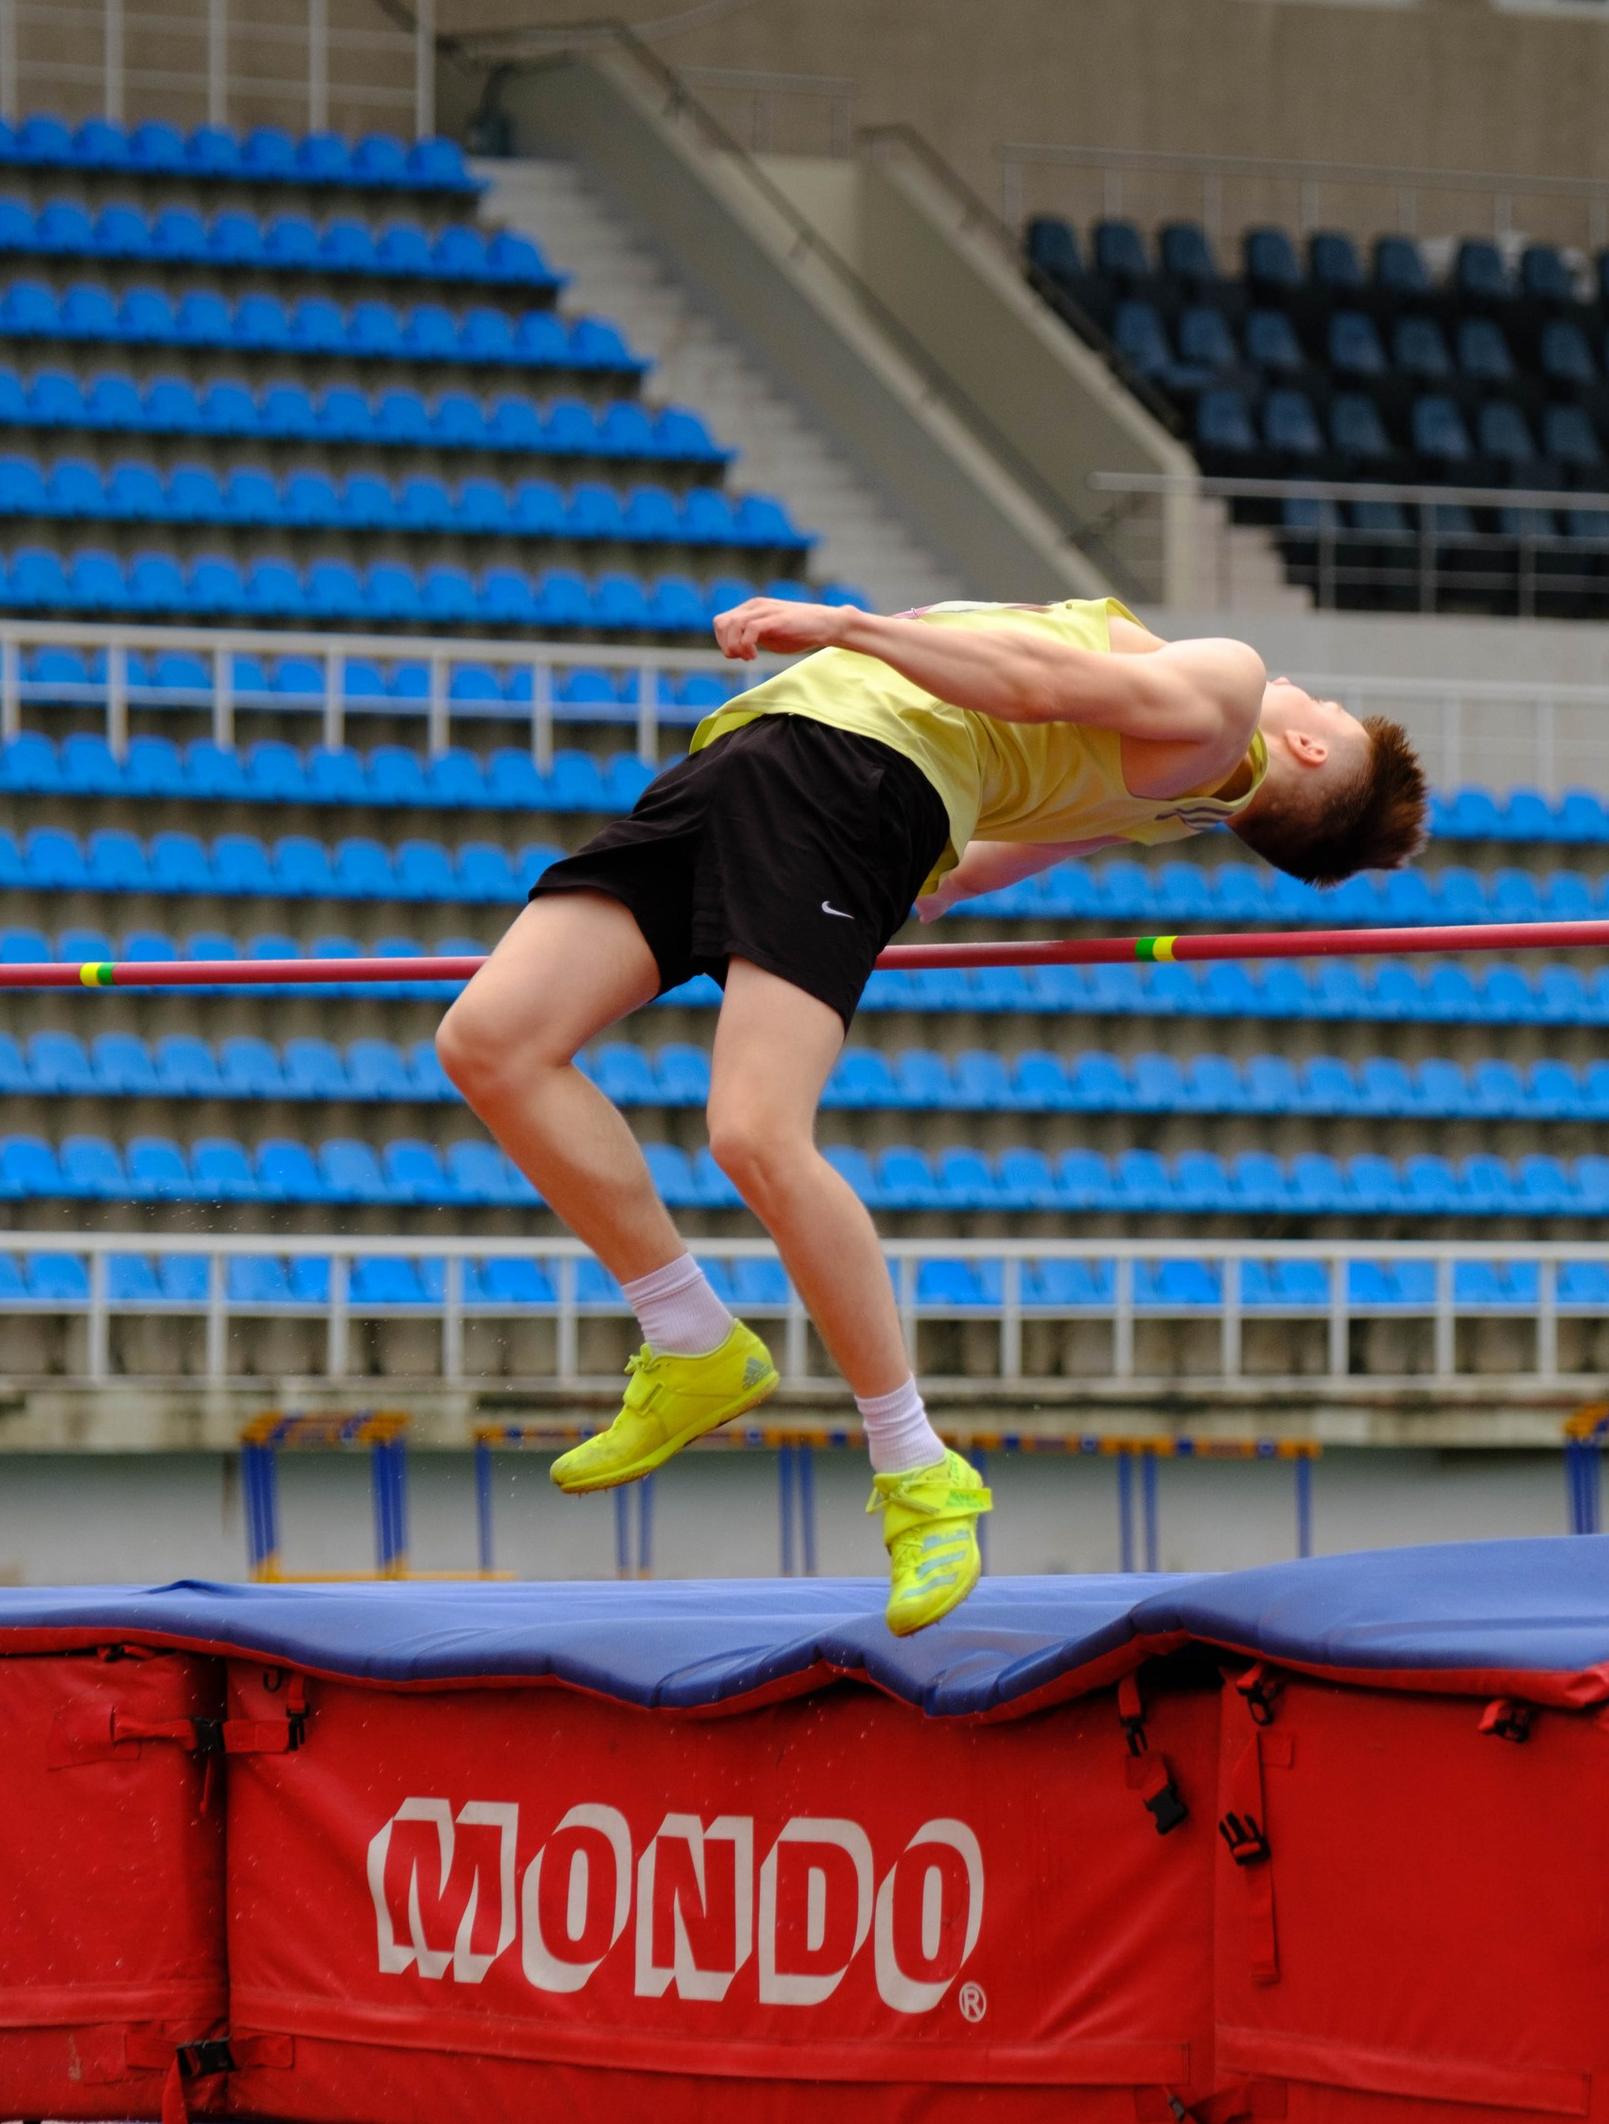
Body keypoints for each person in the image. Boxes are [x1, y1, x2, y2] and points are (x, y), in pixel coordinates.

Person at [438, 592, 1426, 1634]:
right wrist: (887, 882)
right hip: (752, 763)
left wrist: (848, 626)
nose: (1297, 686)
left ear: (1306, 745)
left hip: (848, 771)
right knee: (491, 1042)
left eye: (1316, 702)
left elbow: (1035, 686)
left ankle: (918, 1467)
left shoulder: (1223, 680)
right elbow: (971, 871)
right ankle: (687, 1332)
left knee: (755, 1133)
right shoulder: (1160, 797)